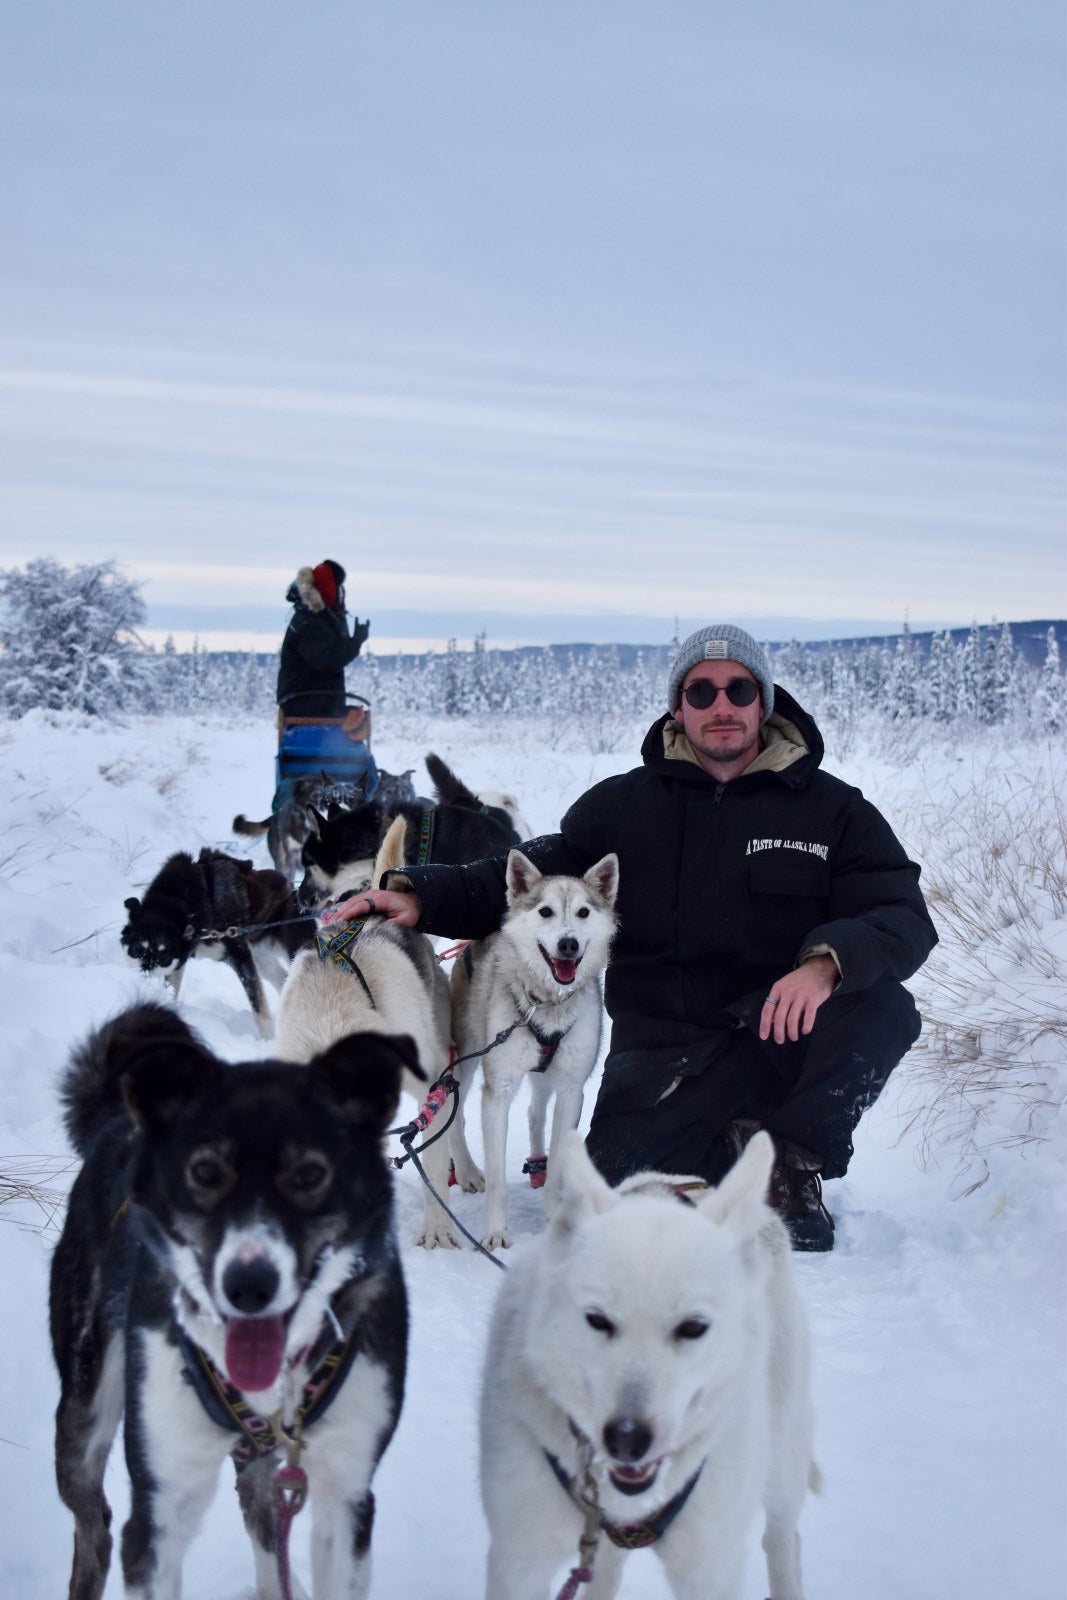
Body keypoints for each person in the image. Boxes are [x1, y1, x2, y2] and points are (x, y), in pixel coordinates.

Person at [336, 624, 937, 1251]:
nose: (721, 706)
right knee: (615, 1202)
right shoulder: (626, 806)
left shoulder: (832, 811)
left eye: (739, 689)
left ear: (765, 700)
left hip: (781, 1033)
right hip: (666, 1058)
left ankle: (792, 1164)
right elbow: (528, 879)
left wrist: (826, 964)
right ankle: (726, 1143)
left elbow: (899, 909)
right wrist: (416, 894)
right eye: (700, 692)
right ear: (678, 706)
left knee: (883, 1006)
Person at [276, 560, 370, 719]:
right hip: (305, 708)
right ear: (330, 588)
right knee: (354, 726)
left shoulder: (319, 618)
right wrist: (354, 643)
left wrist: (350, 638)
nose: (342, 593)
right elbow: (327, 662)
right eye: (338, 587)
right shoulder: (309, 621)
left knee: (359, 721)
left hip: (316, 704)